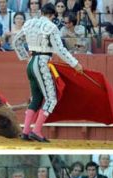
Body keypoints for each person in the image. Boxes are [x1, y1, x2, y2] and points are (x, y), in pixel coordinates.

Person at [13, 3, 83, 143]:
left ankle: (26, 132)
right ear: (52, 15)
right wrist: (75, 64)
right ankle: (36, 131)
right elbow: (60, 50)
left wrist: (25, 57)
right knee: (51, 99)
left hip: (31, 63)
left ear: (41, 12)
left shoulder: (29, 23)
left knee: (36, 99)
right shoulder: (51, 27)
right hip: (42, 63)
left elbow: (16, 41)